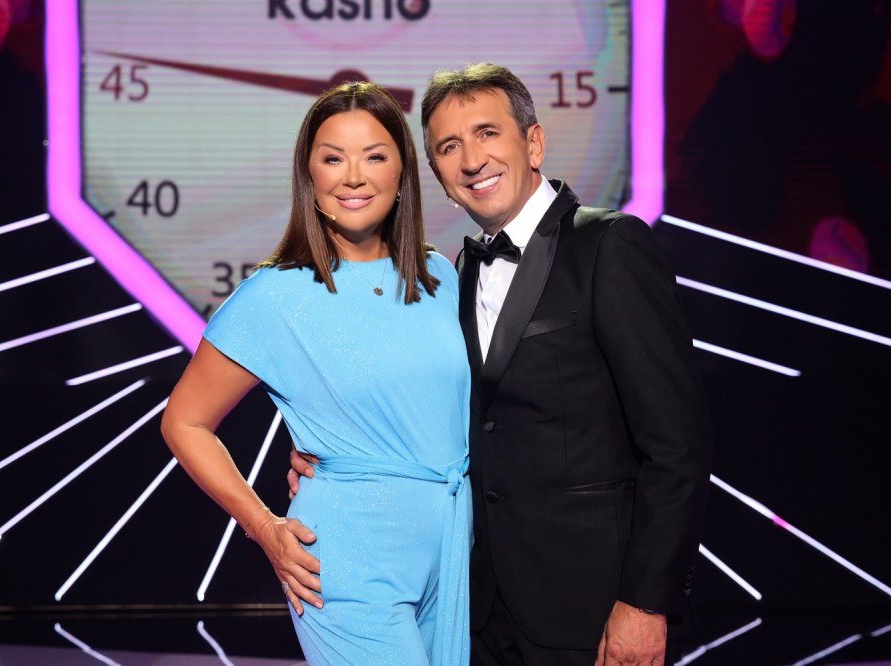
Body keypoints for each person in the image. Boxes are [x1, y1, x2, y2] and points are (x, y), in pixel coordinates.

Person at [291, 64, 712, 665]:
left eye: (487, 133)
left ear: (533, 143)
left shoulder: (609, 246)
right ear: (437, 174)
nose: (471, 160)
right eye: (449, 147)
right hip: (479, 609)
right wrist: (335, 460)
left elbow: (677, 446)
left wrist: (646, 603)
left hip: (594, 610)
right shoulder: (453, 277)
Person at [161, 82, 472, 666]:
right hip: (346, 557)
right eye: (333, 158)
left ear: (403, 172)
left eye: (374, 156)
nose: (353, 176)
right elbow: (184, 422)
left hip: (455, 549)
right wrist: (263, 526)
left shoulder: (439, 277)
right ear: (310, 176)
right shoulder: (274, 295)